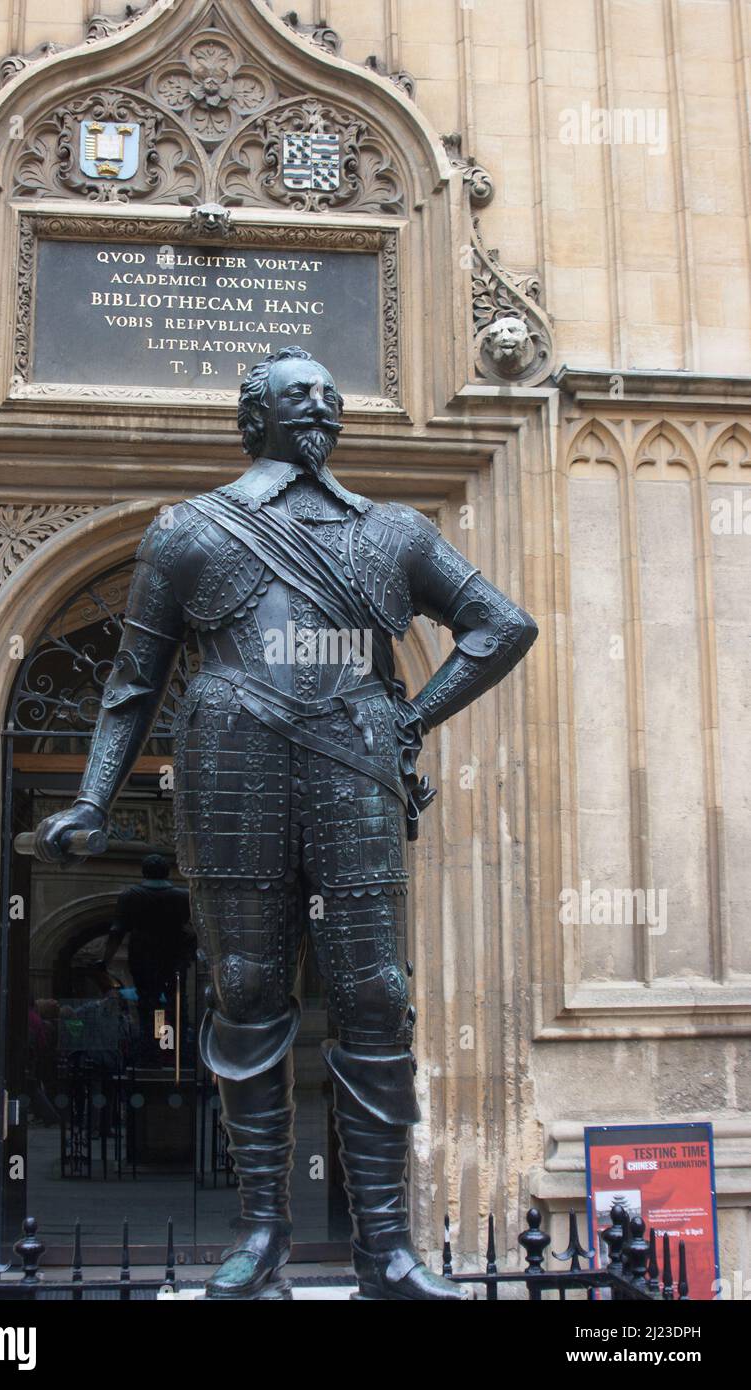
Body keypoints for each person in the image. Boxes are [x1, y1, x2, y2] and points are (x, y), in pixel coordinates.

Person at [31, 347, 537, 1300]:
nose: (321, 406)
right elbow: (132, 684)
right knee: (250, 987)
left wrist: (410, 718)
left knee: (377, 990)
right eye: (297, 393)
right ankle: (261, 1234)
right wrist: (96, 796)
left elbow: (502, 624)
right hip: (233, 760)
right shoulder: (190, 532)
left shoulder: (393, 532)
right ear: (251, 416)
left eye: (330, 395)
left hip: (353, 763)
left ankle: (385, 1247)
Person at [98, 854, 195, 1063]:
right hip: (174, 956)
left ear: (144, 872)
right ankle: (178, 1051)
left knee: (147, 1004)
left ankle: (149, 1051)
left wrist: (105, 960)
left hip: (143, 955)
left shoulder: (130, 895)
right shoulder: (182, 895)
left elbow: (117, 931)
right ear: (168, 871)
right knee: (178, 1004)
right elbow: (197, 928)